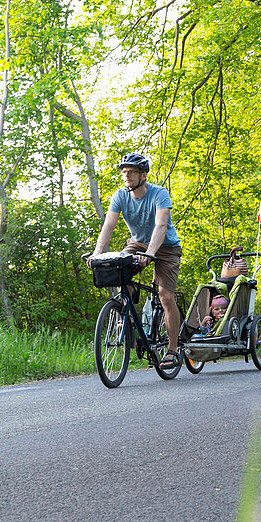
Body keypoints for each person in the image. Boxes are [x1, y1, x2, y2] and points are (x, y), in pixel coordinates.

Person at [89, 153, 183, 368]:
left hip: (166, 247)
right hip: (138, 243)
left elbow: (160, 226)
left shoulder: (159, 193)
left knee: (165, 296)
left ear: (143, 175)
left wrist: (150, 254)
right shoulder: (120, 196)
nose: (126, 176)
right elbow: (109, 226)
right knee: (118, 270)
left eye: (131, 172)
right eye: (124, 172)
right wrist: (97, 252)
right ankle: (128, 314)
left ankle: (172, 350)